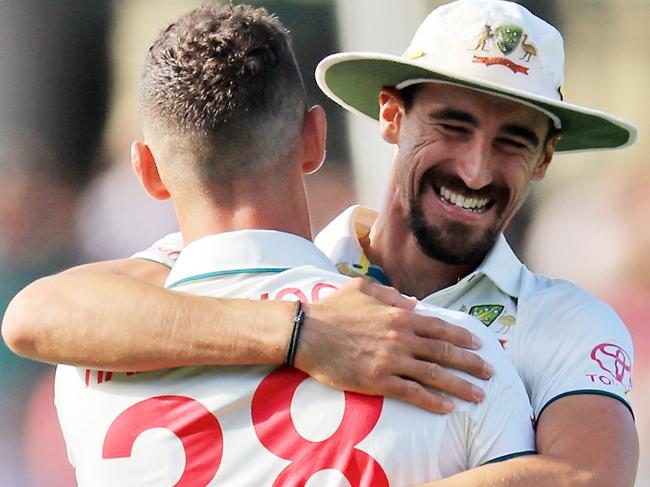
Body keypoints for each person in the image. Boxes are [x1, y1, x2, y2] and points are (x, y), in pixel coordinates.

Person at [2, 0, 639, 485]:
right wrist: (302, 333)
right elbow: (37, 315)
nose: (476, 169)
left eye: (513, 143)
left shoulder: (565, 321)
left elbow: (585, 478)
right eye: (453, 125)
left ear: (546, 158)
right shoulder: (273, 261)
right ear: (391, 117)